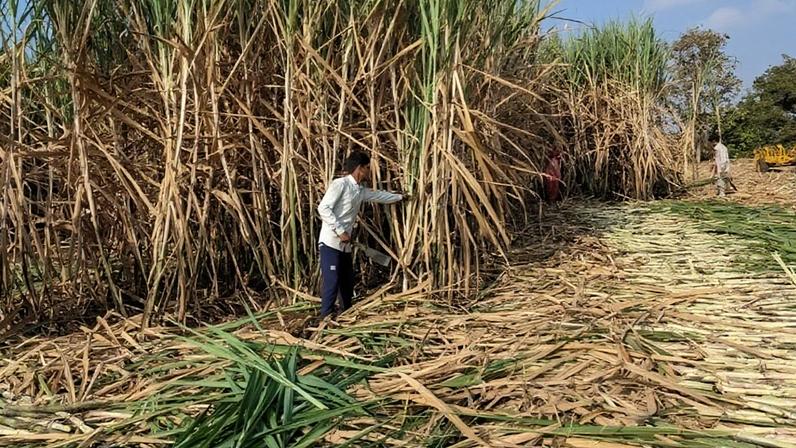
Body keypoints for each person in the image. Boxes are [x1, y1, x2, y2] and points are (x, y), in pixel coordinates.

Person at [317, 151, 405, 318]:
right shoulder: (340, 184)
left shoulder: (359, 190)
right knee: (332, 280)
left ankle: (345, 314)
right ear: (360, 168)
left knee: (347, 280)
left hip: (345, 245)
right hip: (330, 242)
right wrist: (340, 230)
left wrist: (401, 197)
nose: (368, 171)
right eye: (367, 168)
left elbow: (379, 195)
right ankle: (325, 317)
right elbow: (323, 208)